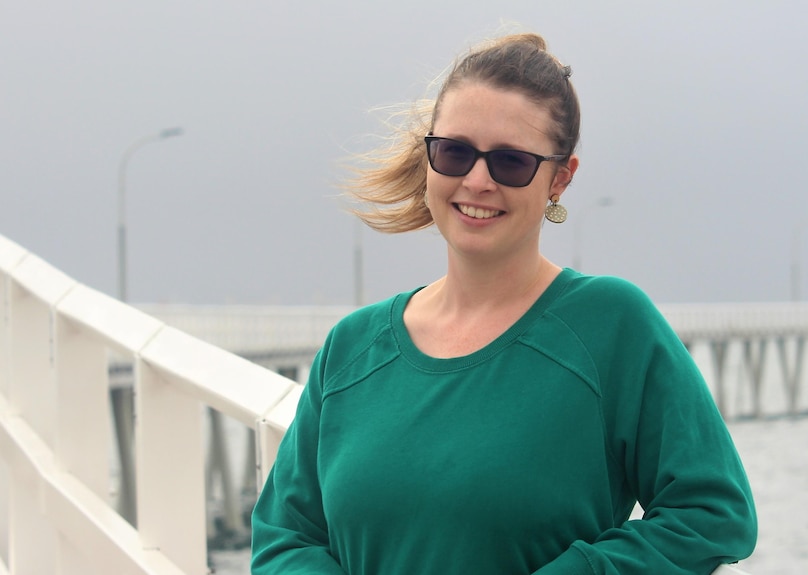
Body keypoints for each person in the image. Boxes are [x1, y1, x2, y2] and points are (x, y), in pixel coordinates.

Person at [250, 32, 757, 575]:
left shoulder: (612, 324)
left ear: (560, 178)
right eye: (455, 152)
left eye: (510, 162)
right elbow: (285, 536)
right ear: (429, 159)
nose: (477, 180)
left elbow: (712, 513)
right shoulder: (351, 347)